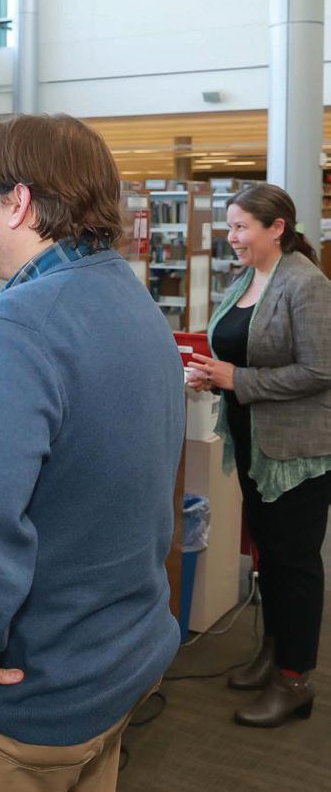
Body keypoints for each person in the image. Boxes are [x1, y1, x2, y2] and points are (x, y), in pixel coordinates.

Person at [0, 114, 184, 792]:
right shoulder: (130, 299)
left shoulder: (18, 327)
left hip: (11, 716)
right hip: (109, 670)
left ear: (18, 202)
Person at [187, 183, 331, 728]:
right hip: (254, 442)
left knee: (295, 563)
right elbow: (239, 349)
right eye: (229, 226)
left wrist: (238, 380)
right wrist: (215, 376)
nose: (231, 237)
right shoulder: (247, 278)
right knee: (269, 554)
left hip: (297, 451)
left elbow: (321, 370)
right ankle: (274, 651)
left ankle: (295, 681)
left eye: (241, 227)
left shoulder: (306, 284)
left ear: (277, 228)